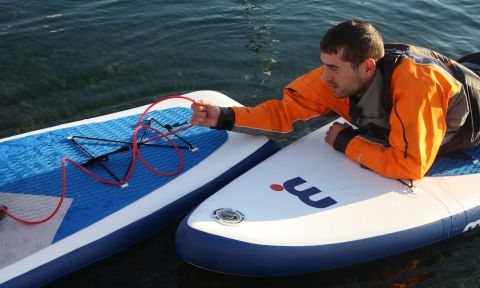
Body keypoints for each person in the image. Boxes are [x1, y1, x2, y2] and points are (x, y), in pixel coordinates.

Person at [190, 19, 480, 180]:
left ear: (367, 66)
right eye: (324, 65)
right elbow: (282, 114)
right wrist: (223, 116)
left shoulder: (416, 87)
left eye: (333, 68)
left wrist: (346, 143)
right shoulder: (337, 78)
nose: (325, 77)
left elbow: (411, 166)